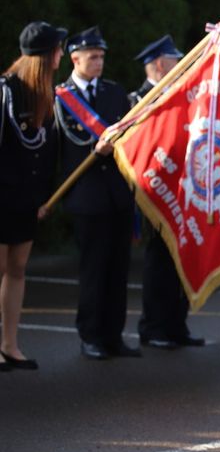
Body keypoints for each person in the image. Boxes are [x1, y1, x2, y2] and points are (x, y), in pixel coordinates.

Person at [54, 26, 138, 360]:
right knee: (93, 269)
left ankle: (114, 335)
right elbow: (62, 146)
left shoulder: (115, 94)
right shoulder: (61, 96)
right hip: (87, 197)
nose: (99, 62)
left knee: (118, 270)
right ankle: (90, 335)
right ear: (75, 59)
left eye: (102, 56)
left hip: (117, 195)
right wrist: (95, 147)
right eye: (93, 57)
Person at [0, 22, 67, 371]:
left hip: (26, 200)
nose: (61, 55)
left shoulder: (46, 93)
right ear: (43, 55)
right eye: (57, 49)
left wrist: (44, 197)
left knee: (18, 269)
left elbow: (46, 152)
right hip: (2, 199)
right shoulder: (6, 91)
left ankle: (9, 345)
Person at [132, 35, 205, 350]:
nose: (179, 66)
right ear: (160, 64)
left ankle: (177, 325)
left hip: (182, 191)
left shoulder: (180, 96)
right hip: (154, 192)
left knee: (181, 260)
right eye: (174, 60)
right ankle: (154, 326)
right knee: (159, 263)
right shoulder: (137, 99)